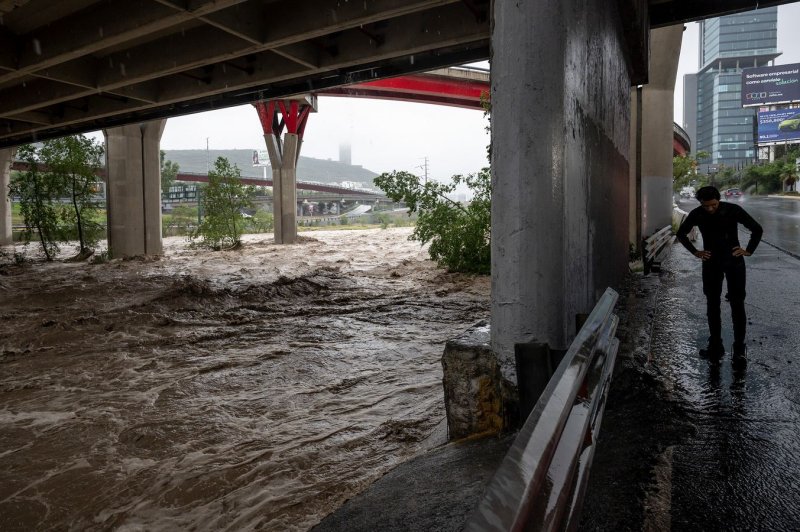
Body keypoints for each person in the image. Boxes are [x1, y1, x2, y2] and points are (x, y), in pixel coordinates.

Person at [676, 185, 763, 364]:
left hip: (734, 261)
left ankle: (739, 349)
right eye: (705, 205)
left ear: (719, 200)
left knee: (737, 304)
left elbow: (757, 228)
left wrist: (748, 250)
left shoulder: (733, 210)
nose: (709, 209)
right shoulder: (697, 213)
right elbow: (681, 233)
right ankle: (715, 346)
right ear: (700, 203)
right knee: (712, 304)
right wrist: (695, 252)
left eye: (713, 205)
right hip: (711, 262)